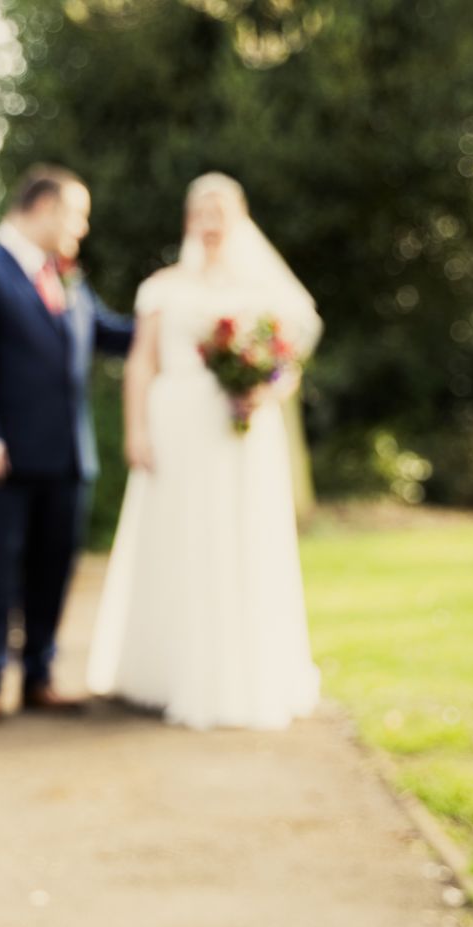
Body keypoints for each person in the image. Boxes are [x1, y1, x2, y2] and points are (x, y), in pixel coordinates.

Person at [87, 172, 323, 730]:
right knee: (181, 539)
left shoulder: (262, 290)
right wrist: (135, 429)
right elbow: (142, 361)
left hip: (241, 431)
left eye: (221, 212)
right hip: (174, 427)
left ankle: (243, 673)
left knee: (241, 539)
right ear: (189, 220)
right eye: (202, 212)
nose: (211, 224)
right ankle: (168, 674)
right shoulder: (163, 286)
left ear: (239, 218)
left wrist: (266, 386)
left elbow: (287, 362)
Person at [0, 165, 132, 727]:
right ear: (44, 207)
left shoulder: (68, 280)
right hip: (2, 455)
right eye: (78, 214)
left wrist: (186, 319)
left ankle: (41, 675)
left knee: (54, 568)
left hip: (68, 456)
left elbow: (113, 334)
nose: (83, 227)